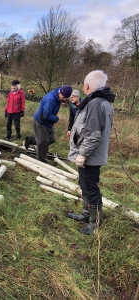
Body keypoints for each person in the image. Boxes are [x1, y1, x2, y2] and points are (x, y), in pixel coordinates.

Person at [67, 70, 114, 235]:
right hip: (95, 154)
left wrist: (83, 154)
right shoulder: (105, 102)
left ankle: (95, 222)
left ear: (87, 86)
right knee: (85, 186)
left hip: (90, 156)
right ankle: (87, 214)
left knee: (90, 188)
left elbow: (93, 134)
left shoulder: (94, 104)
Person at [25, 85, 72, 162]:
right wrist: (56, 119)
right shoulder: (51, 99)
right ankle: (41, 159)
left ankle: (30, 140)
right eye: (63, 97)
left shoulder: (57, 96)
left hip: (48, 122)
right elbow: (46, 115)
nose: (63, 99)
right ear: (60, 92)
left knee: (51, 139)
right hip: (41, 121)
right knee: (43, 142)